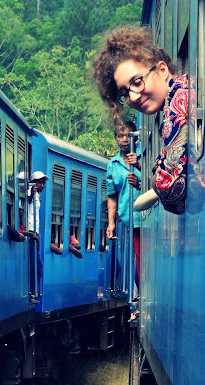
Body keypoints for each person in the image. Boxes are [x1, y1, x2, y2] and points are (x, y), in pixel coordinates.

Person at [93, 25, 188, 216]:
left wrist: (158, 180)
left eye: (137, 82)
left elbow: (169, 189)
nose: (133, 97)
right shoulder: (175, 99)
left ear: (162, 69)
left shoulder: (180, 99)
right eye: (124, 93)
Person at [106, 120, 142, 285]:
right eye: (121, 136)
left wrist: (139, 165)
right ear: (115, 139)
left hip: (149, 216)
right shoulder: (112, 165)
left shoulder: (144, 154)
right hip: (130, 219)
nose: (125, 140)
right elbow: (112, 195)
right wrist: (111, 223)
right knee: (138, 258)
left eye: (128, 135)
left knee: (143, 259)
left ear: (135, 137)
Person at [22, 171, 48, 295]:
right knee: (33, 264)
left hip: (35, 233)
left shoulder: (38, 195)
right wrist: (31, 193)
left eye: (43, 183)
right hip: (31, 232)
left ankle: (33, 289)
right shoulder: (29, 192)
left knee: (39, 266)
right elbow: (25, 203)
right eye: (40, 182)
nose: (42, 185)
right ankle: (31, 290)